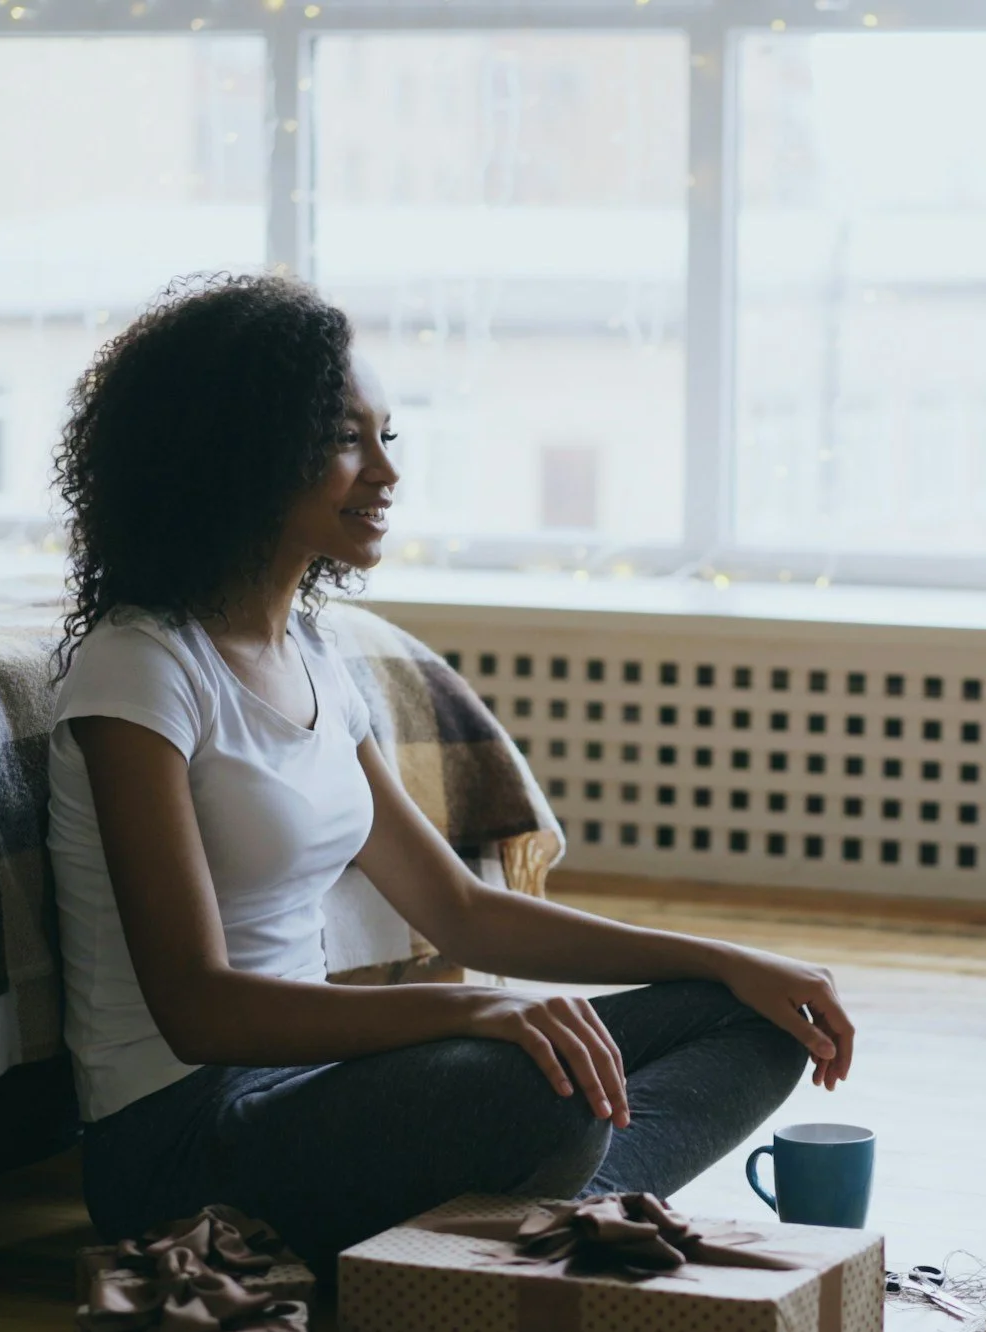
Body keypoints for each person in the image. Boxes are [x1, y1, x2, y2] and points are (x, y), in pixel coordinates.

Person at [45, 274, 854, 1268]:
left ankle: (522, 1226)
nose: (384, 472)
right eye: (346, 439)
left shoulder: (313, 653)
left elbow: (463, 910)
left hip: (315, 1090)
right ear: (240, 451)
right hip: (179, 1150)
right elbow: (199, 1005)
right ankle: (542, 1222)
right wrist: (477, 1004)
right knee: (533, 1084)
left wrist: (723, 957)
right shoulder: (140, 666)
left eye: (388, 437)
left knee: (758, 1020)